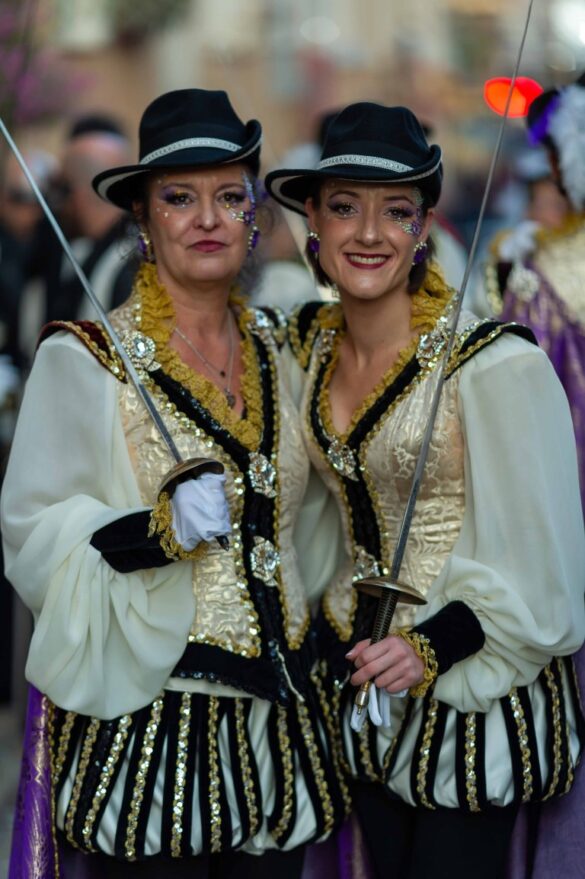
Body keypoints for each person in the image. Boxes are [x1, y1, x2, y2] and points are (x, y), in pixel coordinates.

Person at [2, 88, 347, 879]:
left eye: (230, 196)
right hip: (151, 743)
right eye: (180, 198)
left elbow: (316, 521)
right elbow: (33, 534)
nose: (207, 218)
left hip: (279, 740)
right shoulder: (85, 358)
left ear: (254, 216)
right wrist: (154, 531)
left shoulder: (282, 350)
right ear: (144, 219)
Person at [265, 102, 585, 879]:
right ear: (313, 223)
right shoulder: (304, 348)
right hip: (362, 701)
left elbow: (547, 571)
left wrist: (428, 646)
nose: (369, 233)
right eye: (345, 207)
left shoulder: (495, 364)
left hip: (473, 701)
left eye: (396, 210)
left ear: (423, 229)